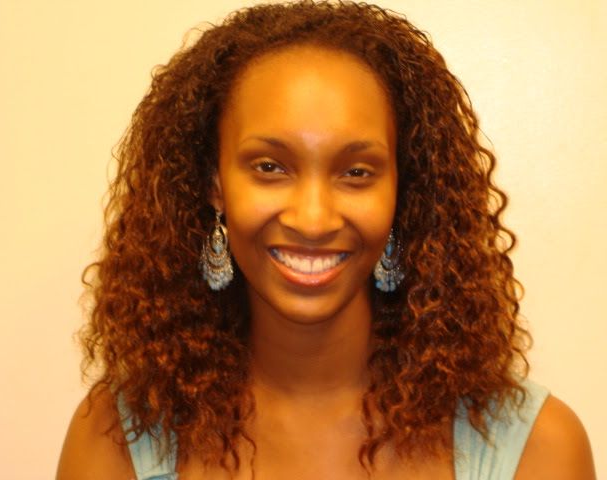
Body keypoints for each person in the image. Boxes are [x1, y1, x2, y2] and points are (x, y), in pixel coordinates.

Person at [56, 2, 595, 479]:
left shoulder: (536, 450)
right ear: (214, 185)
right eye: (270, 167)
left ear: (402, 192)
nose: (313, 219)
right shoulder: (118, 440)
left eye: (356, 172)